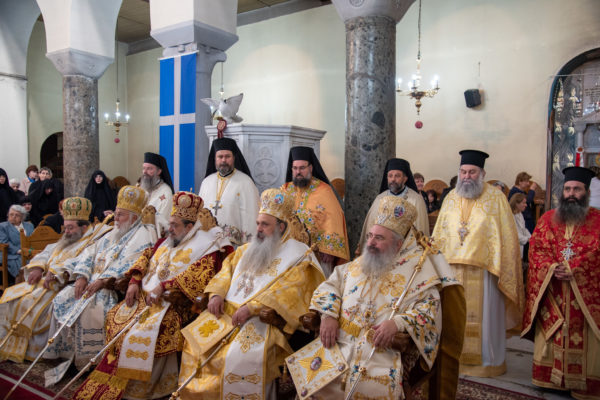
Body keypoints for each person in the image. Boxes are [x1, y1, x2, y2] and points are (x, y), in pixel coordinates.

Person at [72, 192, 233, 400]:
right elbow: (146, 256)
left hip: (173, 304)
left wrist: (164, 287)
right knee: (114, 318)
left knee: (137, 334)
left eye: (174, 225)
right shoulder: (166, 241)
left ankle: (144, 388)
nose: (169, 229)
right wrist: (134, 280)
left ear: (189, 227)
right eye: (170, 223)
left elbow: (198, 276)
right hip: (144, 299)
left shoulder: (205, 247)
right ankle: (113, 382)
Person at [304, 196, 462, 399]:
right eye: (370, 235)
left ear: (398, 244)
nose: (370, 243)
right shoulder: (360, 263)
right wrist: (328, 315)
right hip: (339, 343)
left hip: (380, 352)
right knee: (312, 380)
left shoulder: (418, 272)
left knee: (368, 389)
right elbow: (330, 285)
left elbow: (429, 312)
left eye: (379, 238)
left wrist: (398, 323)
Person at [178, 188, 324, 399]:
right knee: (193, 345)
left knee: (235, 357)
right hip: (226, 313)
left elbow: (293, 290)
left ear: (281, 227)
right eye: (258, 223)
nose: (259, 229)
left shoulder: (298, 254)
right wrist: (217, 294)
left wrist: (253, 307)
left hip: (261, 319)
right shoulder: (245, 249)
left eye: (265, 225)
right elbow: (226, 271)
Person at [44, 186, 156, 377]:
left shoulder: (144, 234)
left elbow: (133, 262)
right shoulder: (113, 232)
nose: (115, 218)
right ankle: (67, 356)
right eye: (116, 213)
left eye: (120, 215)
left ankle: (89, 363)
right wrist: (82, 276)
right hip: (90, 282)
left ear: (133, 218)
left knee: (91, 310)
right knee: (62, 298)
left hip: (109, 288)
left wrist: (103, 281)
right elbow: (89, 252)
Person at [432, 149, 523, 377]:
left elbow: (507, 238)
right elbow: (439, 234)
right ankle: (453, 360)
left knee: (485, 319)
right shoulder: (450, 198)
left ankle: (487, 363)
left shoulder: (496, 199)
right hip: (452, 270)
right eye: (463, 171)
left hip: (484, 272)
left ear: (482, 174)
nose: (466, 176)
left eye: (472, 172)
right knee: (453, 317)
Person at [522, 167, 599, 399]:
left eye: (577, 189)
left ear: (587, 192)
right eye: (567, 189)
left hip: (584, 297)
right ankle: (549, 379)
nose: (571, 193)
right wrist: (552, 267)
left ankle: (584, 383)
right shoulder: (548, 219)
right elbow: (537, 249)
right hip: (553, 290)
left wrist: (575, 267)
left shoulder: (597, 220)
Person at [0, 197, 103, 363]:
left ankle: (34, 350)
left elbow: (81, 263)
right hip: (44, 281)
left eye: (70, 227)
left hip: (62, 285)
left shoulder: (94, 241)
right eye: (65, 227)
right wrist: (38, 267)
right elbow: (47, 251)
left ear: (84, 227)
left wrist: (56, 273)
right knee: (11, 299)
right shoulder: (69, 237)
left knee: (28, 303)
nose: (66, 231)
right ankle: (14, 345)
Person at [281, 146, 349, 274]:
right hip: (290, 253)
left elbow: (334, 219)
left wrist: (329, 250)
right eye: (295, 168)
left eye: (302, 168)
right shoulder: (285, 189)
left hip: (317, 254)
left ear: (311, 168)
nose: (298, 172)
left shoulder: (324, 190)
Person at [358, 158, 430, 255]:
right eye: (390, 176)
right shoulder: (380, 198)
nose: (393, 179)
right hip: (379, 251)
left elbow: (419, 231)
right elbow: (370, 226)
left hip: (404, 251)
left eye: (397, 176)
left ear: (405, 178)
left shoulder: (416, 200)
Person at [199, 137, 259, 246]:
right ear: (215, 158)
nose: (223, 160)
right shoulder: (206, 182)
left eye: (227, 156)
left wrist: (247, 247)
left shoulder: (246, 182)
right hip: (208, 244)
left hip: (234, 246)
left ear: (234, 158)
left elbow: (251, 216)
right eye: (220, 157)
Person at [141, 152, 174, 237]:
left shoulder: (166, 192)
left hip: (155, 235)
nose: (145, 172)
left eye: (149, 169)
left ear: (159, 171)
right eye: (144, 168)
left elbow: (163, 221)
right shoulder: (141, 189)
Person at [0, 205, 34, 284]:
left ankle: (32, 286)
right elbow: (4, 242)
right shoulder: (2, 226)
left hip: (28, 252)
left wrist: (31, 250)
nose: (13, 217)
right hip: (9, 254)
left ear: (22, 217)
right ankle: (19, 288)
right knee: (21, 265)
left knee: (38, 261)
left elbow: (33, 240)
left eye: (17, 215)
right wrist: (18, 251)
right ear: (8, 215)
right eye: (11, 214)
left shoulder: (29, 225)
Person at [509, 193, 531, 258]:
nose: (526, 205)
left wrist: (531, 238)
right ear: (516, 203)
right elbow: (514, 234)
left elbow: (523, 229)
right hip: (511, 247)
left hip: (520, 245)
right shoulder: (510, 215)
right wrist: (527, 239)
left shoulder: (519, 214)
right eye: (523, 203)